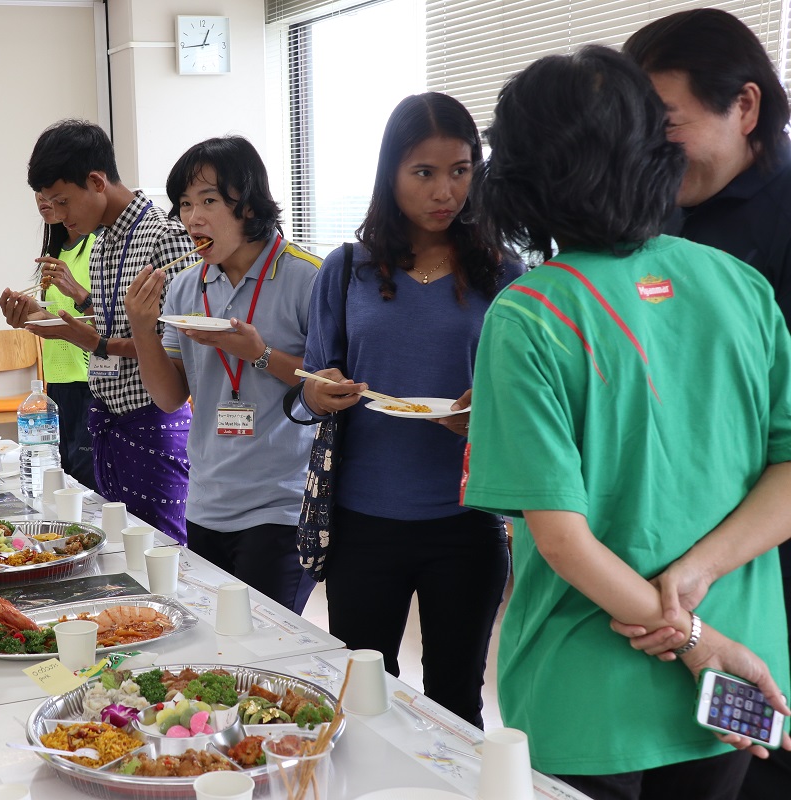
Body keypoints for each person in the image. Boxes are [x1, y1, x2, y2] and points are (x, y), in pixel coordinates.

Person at [462, 45, 791, 798]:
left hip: (592, 683)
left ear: (520, 173)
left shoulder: (531, 312)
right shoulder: (738, 285)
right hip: (739, 673)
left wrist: (693, 640)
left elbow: (564, 540)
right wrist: (700, 585)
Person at [300, 93, 520, 727]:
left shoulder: (505, 275)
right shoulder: (345, 271)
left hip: (467, 520)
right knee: (366, 699)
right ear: (391, 174)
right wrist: (317, 392)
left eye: (460, 169)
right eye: (423, 172)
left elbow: (526, 398)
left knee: (456, 701)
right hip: (363, 523)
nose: (444, 190)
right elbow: (312, 386)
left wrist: (492, 412)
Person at [623, 13, 791, 795]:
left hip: (762, 562)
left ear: (745, 108)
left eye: (666, 124)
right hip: (671, 579)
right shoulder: (656, 213)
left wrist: (702, 569)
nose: (648, 151)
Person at [124, 136, 319, 613]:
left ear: (249, 205)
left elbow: (332, 386)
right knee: (219, 650)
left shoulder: (309, 277)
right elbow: (170, 398)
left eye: (209, 201)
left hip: (281, 507)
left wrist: (259, 353)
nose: (193, 218)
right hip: (206, 503)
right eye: (185, 205)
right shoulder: (187, 286)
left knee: (264, 648)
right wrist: (142, 329)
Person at [0, 120, 197, 542]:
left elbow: (176, 348)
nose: (57, 215)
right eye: (48, 204)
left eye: (63, 201)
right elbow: (110, 326)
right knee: (120, 551)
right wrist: (45, 320)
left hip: (153, 424)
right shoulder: (104, 239)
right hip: (109, 420)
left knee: (162, 555)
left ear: (96, 181)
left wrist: (91, 340)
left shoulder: (166, 236)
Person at [33, 191, 98, 491]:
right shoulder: (56, 250)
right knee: (63, 479)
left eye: (51, 192)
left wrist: (77, 293)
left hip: (90, 381)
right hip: (58, 382)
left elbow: (111, 320)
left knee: (87, 481)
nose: (42, 200)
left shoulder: (96, 245)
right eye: (37, 193)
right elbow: (57, 318)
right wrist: (26, 313)